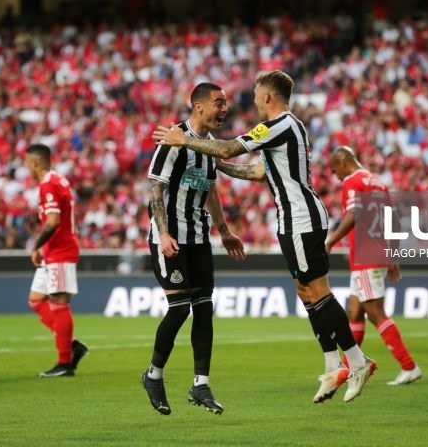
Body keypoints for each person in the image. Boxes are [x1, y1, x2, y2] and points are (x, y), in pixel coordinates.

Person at [153, 70, 376, 404]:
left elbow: (229, 150)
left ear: (267, 96)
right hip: (292, 220)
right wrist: (209, 159)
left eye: (257, 94)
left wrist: (186, 141)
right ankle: (333, 366)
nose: (253, 100)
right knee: (305, 291)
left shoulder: (278, 125)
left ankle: (357, 361)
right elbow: (256, 171)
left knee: (318, 291)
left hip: (301, 218)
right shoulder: (285, 129)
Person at [142, 82, 246, 416]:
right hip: (171, 238)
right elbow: (155, 189)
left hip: (200, 238)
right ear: (199, 106)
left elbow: (211, 191)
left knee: (203, 308)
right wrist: (163, 233)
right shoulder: (173, 140)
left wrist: (225, 231)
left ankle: (201, 384)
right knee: (179, 308)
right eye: (219, 102)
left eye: (225, 103)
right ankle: (153, 375)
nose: (224, 108)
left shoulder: (210, 146)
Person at [325, 147, 422, 386]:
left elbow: (354, 213)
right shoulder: (378, 182)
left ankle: (409, 366)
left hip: (365, 255)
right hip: (376, 253)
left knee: (375, 312)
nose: (337, 176)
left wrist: (331, 240)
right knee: (355, 312)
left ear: (343, 162)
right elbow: (394, 221)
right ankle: (348, 369)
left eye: (335, 170)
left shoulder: (353, 181)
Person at [25, 143, 88, 378]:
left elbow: (52, 221)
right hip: (52, 252)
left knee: (59, 303)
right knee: (36, 299)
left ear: (34, 163)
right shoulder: (58, 179)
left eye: (27, 164)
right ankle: (71, 345)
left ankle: (65, 363)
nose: (26, 168)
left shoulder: (49, 184)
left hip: (60, 251)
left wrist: (36, 246)